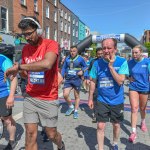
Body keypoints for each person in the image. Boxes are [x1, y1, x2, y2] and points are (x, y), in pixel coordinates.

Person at [4, 16, 65, 150]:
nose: (27, 37)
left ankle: (61, 145)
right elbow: (26, 74)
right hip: (30, 96)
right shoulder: (26, 49)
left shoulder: (51, 44)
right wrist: (18, 72)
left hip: (48, 98)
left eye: (29, 33)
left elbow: (47, 64)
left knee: (51, 134)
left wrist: (20, 67)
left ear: (39, 30)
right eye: (24, 34)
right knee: (30, 134)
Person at [88, 38, 129, 150]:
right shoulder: (97, 63)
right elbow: (93, 81)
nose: (106, 50)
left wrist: (111, 67)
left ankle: (115, 142)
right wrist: (90, 98)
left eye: (109, 48)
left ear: (115, 49)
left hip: (117, 100)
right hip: (102, 100)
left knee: (116, 125)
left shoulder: (122, 62)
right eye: (104, 48)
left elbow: (120, 81)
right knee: (100, 125)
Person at [128, 45, 150, 143]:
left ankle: (143, 121)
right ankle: (133, 132)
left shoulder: (147, 62)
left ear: (141, 52)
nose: (134, 54)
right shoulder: (130, 62)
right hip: (133, 87)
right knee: (134, 108)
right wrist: (128, 78)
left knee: (142, 108)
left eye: (136, 52)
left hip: (144, 87)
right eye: (133, 52)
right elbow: (125, 73)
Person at [61, 46, 87, 119]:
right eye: (71, 51)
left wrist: (83, 72)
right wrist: (61, 76)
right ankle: (71, 106)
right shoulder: (67, 58)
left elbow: (85, 67)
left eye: (74, 51)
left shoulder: (80, 58)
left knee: (76, 96)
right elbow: (64, 68)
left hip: (77, 79)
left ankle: (75, 110)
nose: (72, 52)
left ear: (77, 51)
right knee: (65, 94)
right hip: (68, 79)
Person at [0, 54, 18, 150]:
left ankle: (12, 141)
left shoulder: (3, 59)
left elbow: (14, 77)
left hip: (3, 94)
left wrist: (11, 96)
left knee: (7, 119)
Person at [88, 47, 103, 123]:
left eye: (101, 54)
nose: (100, 55)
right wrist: (89, 78)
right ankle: (95, 114)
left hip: (103, 84)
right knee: (95, 99)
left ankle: (102, 114)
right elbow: (89, 70)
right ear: (96, 54)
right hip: (95, 83)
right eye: (98, 54)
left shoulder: (106, 61)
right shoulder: (93, 61)